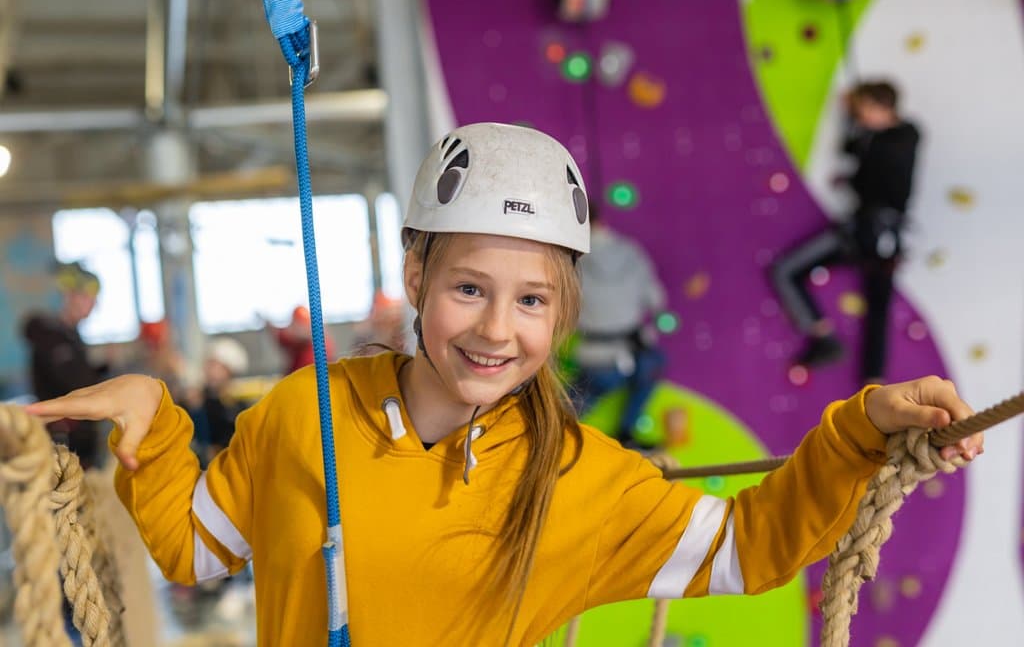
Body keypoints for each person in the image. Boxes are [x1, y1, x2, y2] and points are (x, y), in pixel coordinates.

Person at [26, 123, 982, 647]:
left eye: (530, 300)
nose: (496, 329)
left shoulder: (579, 475)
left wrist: (860, 431)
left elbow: (748, 546)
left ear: (561, 311)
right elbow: (196, 551)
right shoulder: (301, 415)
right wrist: (152, 424)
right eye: (469, 289)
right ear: (415, 281)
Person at [772, 80, 921, 384]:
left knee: (877, 306)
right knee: (788, 271)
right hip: (869, 233)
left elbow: (870, 166)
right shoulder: (873, 137)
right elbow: (851, 153)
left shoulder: (904, 136)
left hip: (875, 233)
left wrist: (860, 133)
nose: (861, 114)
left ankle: (871, 379)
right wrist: (852, 123)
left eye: (865, 108)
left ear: (883, 106)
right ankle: (833, 344)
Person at [573, 200, 667, 445]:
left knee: (573, 404)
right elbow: (657, 300)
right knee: (654, 367)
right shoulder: (631, 251)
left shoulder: (570, 259)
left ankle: (548, 433)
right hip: (638, 353)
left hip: (594, 356)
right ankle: (626, 432)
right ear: (601, 221)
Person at [20, 261, 109, 468]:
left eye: (94, 299)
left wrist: (103, 368)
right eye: (87, 298)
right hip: (62, 440)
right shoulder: (51, 336)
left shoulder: (71, 336)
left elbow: (78, 375)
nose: (92, 305)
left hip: (80, 439)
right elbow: (75, 383)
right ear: (70, 296)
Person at [187, 337, 250, 468]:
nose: (209, 370)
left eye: (215, 366)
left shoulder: (237, 405)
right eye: (209, 364)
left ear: (229, 371)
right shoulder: (197, 400)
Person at [265, 305, 335, 375]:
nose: (294, 328)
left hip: (308, 378)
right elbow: (284, 338)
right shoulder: (298, 341)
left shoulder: (317, 343)